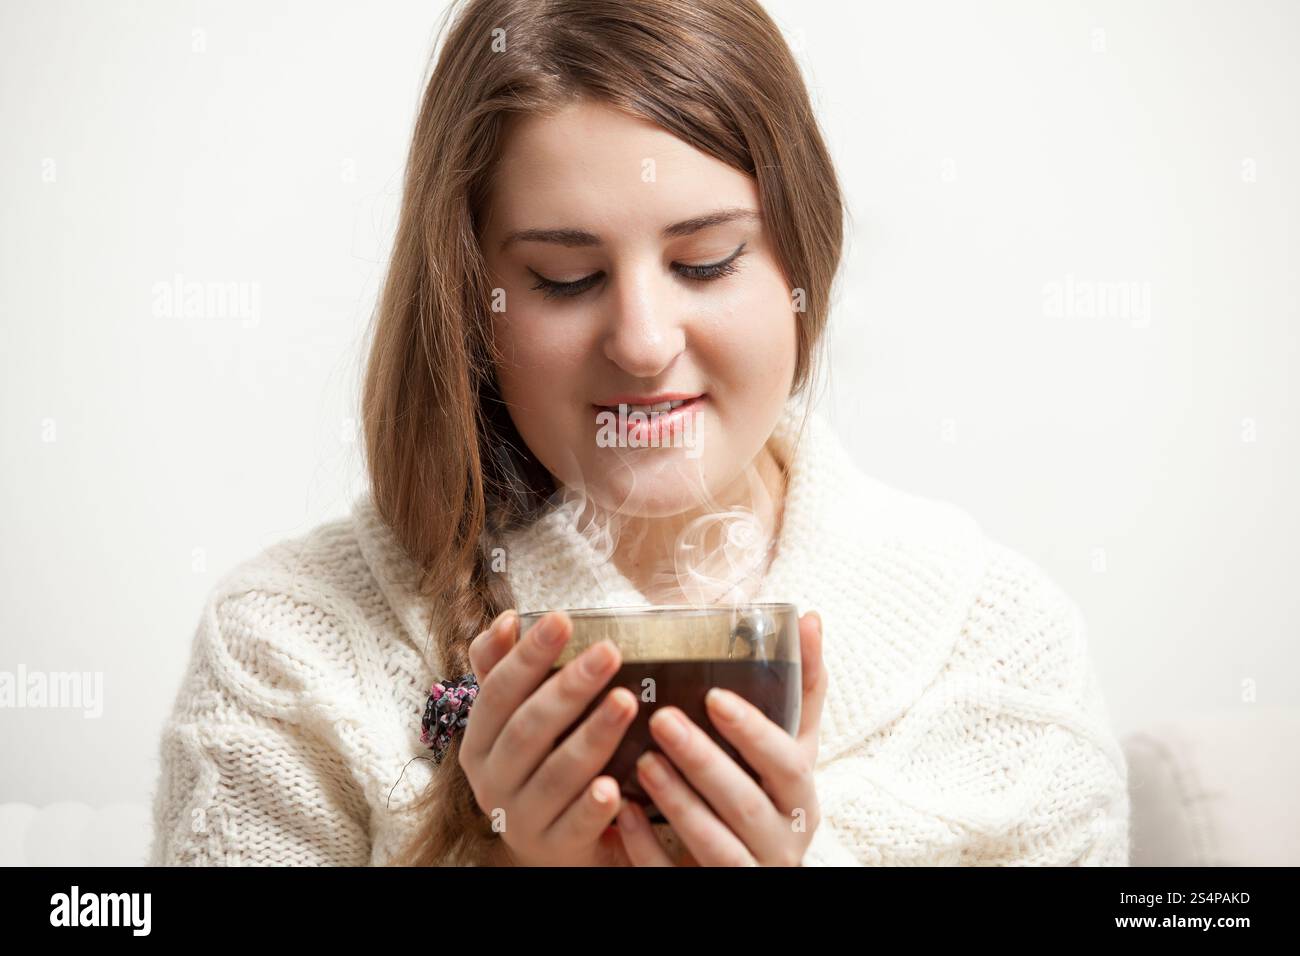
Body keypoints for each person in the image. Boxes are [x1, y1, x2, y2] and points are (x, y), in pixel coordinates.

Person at [148, 0, 1130, 866]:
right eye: (566, 279)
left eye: (705, 261)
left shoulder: (999, 648)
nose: (645, 343)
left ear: (802, 259)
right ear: (471, 299)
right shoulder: (286, 648)